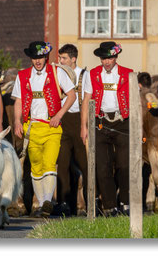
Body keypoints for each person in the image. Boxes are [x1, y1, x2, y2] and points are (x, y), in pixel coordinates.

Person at [12, 41, 76, 218]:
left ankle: (47, 200)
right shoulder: (23, 75)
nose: (37, 60)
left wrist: (59, 115)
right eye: (34, 57)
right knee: (36, 166)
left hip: (52, 126)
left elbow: (72, 95)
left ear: (46, 57)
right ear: (30, 58)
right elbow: (18, 100)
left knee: (49, 162)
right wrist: (17, 122)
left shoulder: (57, 73)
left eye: (40, 57)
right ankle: (41, 205)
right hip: (31, 127)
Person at [81, 41, 133, 216]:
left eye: (109, 58)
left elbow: (134, 102)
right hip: (100, 121)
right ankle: (110, 206)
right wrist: (84, 126)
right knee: (102, 166)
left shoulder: (128, 74)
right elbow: (87, 100)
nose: (107, 62)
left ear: (115, 57)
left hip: (122, 121)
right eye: (104, 58)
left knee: (124, 165)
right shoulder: (92, 74)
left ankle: (125, 202)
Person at [56, 44, 89, 216]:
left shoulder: (84, 75)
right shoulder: (57, 74)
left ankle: (90, 202)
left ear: (73, 59)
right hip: (62, 120)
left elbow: (88, 99)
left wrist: (85, 125)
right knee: (62, 164)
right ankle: (64, 203)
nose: (60, 61)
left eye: (64, 58)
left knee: (84, 163)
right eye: (60, 58)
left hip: (79, 119)